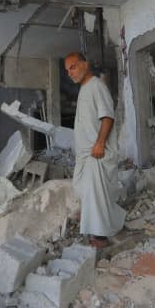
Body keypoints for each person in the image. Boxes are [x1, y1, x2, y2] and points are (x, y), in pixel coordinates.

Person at [64, 52, 126, 248]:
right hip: (86, 155)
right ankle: (106, 225)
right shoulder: (84, 89)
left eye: (73, 67)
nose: (70, 73)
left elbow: (107, 117)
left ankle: (99, 239)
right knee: (86, 191)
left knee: (95, 195)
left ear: (85, 64)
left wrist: (99, 143)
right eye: (67, 70)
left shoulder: (96, 86)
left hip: (96, 153)